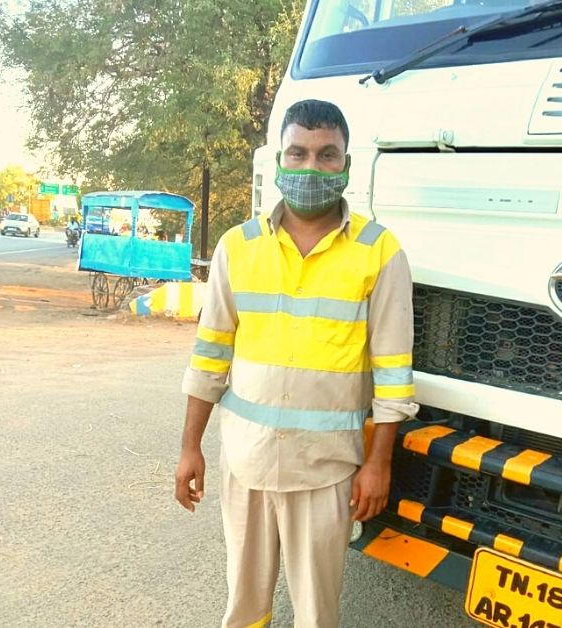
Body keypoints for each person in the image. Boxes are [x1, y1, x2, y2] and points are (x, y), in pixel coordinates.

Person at [173, 99, 417, 628]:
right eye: (298, 154)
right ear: (279, 163)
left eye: (327, 155)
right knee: (243, 608)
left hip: (326, 468)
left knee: (315, 613)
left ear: (347, 167)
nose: (311, 167)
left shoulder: (379, 251)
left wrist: (378, 464)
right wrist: (190, 447)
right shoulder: (238, 246)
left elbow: (394, 375)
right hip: (248, 463)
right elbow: (210, 356)